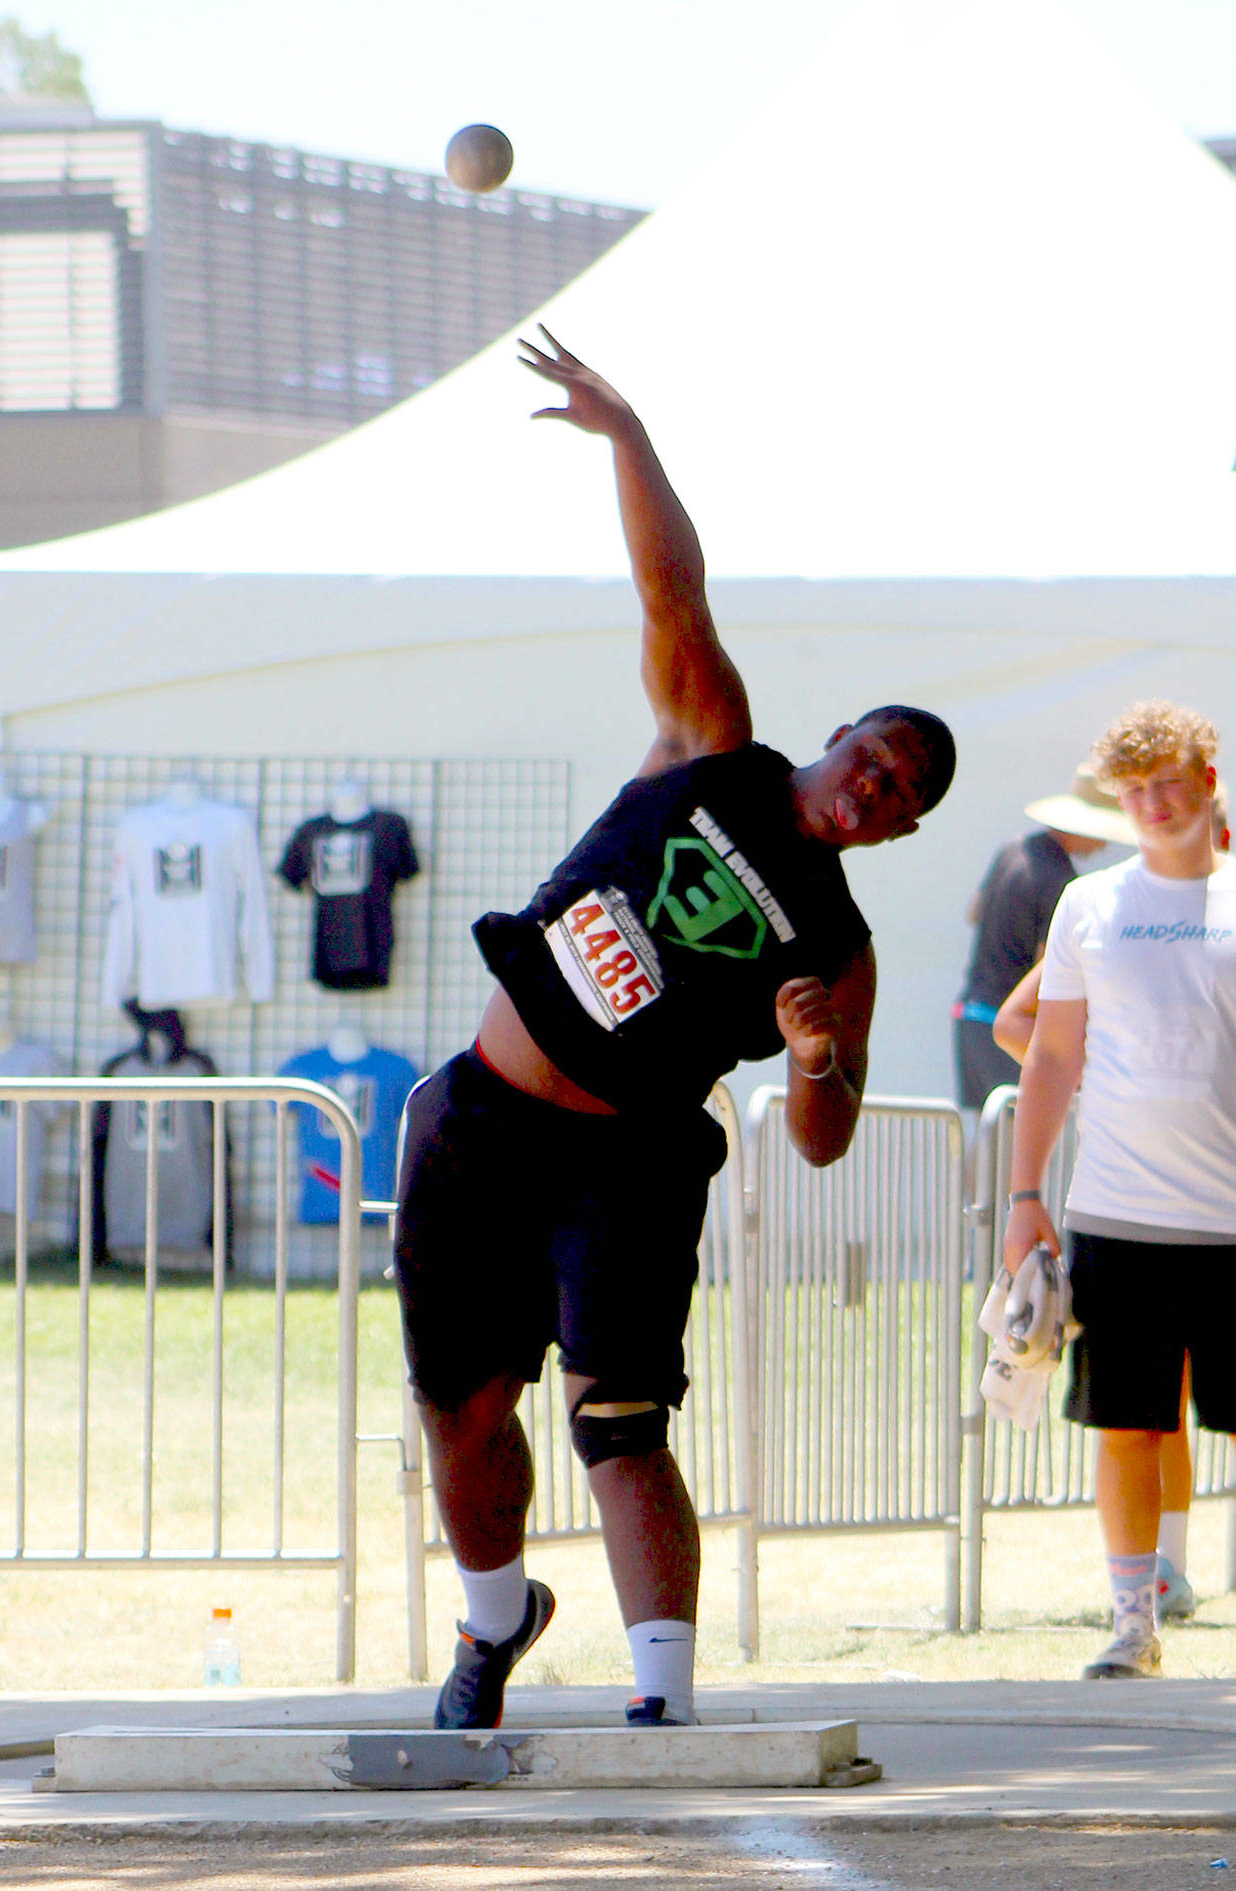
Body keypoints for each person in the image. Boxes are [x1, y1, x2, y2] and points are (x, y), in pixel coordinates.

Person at [394, 328, 957, 1731]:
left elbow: (824, 1141)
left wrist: (820, 1053)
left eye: (895, 799)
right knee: (463, 1409)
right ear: (835, 741)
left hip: (627, 1162)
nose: (870, 790)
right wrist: (628, 431)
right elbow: (672, 583)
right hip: (480, 1115)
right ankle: (493, 1620)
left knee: (618, 1423)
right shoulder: (712, 742)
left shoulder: (839, 946)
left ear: (897, 830)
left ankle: (665, 1697)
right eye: (870, 759)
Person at [1003, 703, 1236, 1680]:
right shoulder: (1086, 907)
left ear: (1207, 781)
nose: (1151, 802)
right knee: (1125, 1425)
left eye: (1168, 780)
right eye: (1132, 788)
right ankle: (1129, 1623)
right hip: (1114, 1213)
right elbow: (1049, 1054)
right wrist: (1023, 1197)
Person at [953, 767, 1131, 1127]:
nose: (1105, 844)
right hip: (1006, 1030)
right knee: (1015, 1140)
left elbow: (974, 911)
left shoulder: (1013, 850)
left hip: (970, 1016)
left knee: (979, 1140)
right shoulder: (1061, 882)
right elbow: (1050, 971)